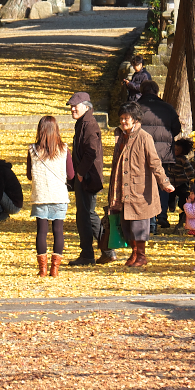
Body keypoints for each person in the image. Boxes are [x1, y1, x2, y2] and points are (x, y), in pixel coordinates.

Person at [107, 101, 175, 267]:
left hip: (140, 189)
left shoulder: (145, 137)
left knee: (139, 224)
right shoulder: (121, 136)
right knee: (126, 224)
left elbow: (155, 162)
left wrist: (164, 182)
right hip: (123, 188)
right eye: (121, 118)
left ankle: (141, 255)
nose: (123, 121)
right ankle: (134, 253)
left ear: (135, 119)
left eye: (126, 118)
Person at [67, 92, 111, 266]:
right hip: (85, 176)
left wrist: (80, 172)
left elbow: (91, 152)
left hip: (87, 177)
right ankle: (105, 250)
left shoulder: (89, 125)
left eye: (75, 106)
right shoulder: (83, 123)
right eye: (71, 106)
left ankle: (90, 254)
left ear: (86, 107)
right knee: (86, 214)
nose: (72, 109)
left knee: (85, 215)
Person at [26, 116, 74, 277]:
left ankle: (42, 269)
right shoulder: (64, 150)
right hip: (59, 195)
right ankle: (55, 269)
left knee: (41, 231)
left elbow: (29, 175)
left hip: (41, 195)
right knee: (58, 231)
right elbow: (71, 174)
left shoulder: (32, 150)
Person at [137, 80, 182, 232]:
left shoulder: (136, 107)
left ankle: (149, 219)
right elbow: (176, 128)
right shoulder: (167, 108)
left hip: (141, 152)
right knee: (162, 183)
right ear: (156, 92)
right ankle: (161, 214)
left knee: (144, 183)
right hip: (163, 152)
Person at [167, 137, 195, 226]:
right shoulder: (169, 157)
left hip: (182, 183)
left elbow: (189, 170)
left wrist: (190, 178)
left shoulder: (183, 159)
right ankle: (171, 207)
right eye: (174, 149)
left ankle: (184, 212)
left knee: (183, 200)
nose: (175, 151)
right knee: (170, 198)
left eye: (178, 150)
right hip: (171, 183)